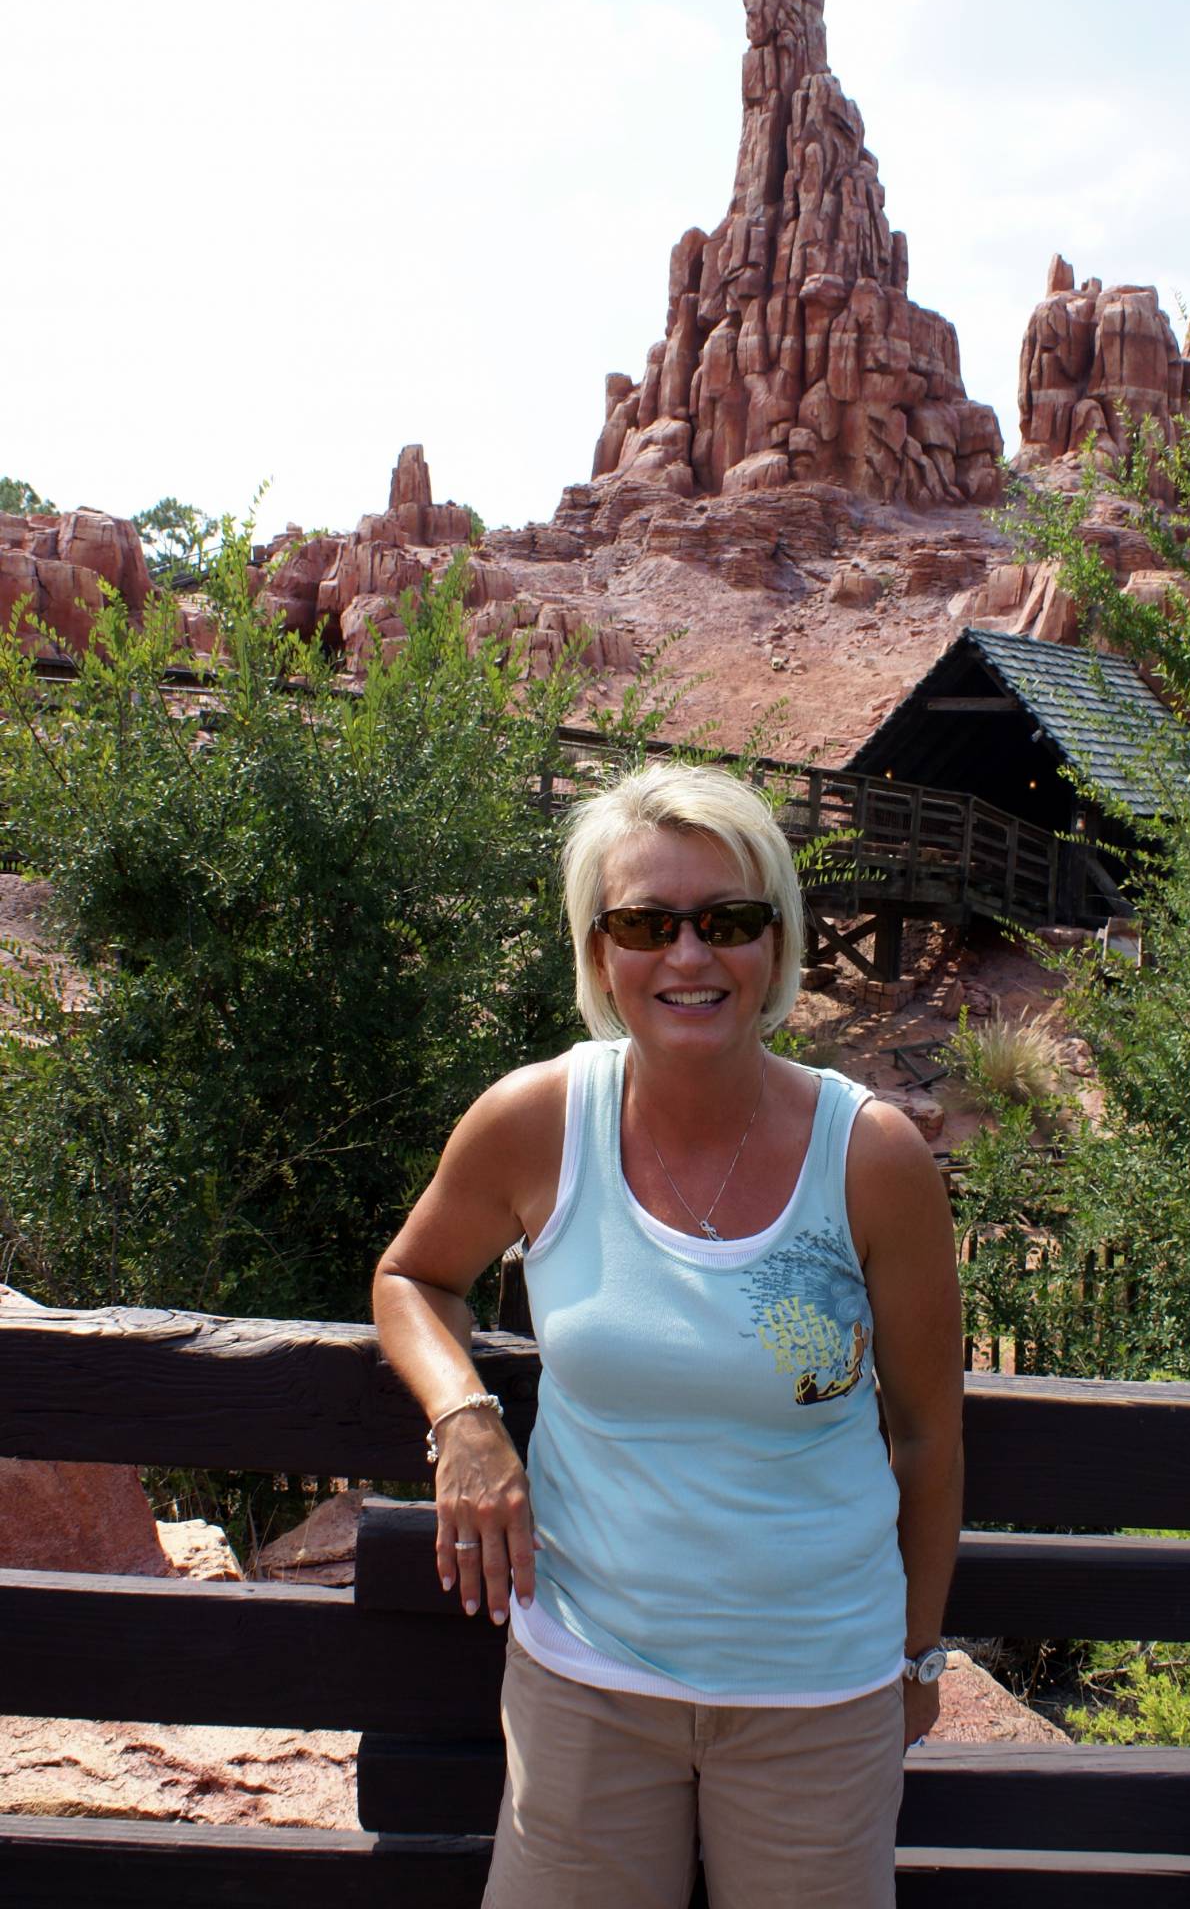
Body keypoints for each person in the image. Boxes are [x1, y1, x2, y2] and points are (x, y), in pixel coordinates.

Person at [372, 760, 962, 1909]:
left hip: (817, 1688)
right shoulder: (538, 1121)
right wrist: (466, 1418)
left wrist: (918, 1657)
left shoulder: (870, 1158)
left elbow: (928, 1434)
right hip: (587, 1676)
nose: (687, 955)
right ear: (598, 952)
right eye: (645, 921)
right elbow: (411, 1276)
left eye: (728, 919)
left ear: (777, 944)